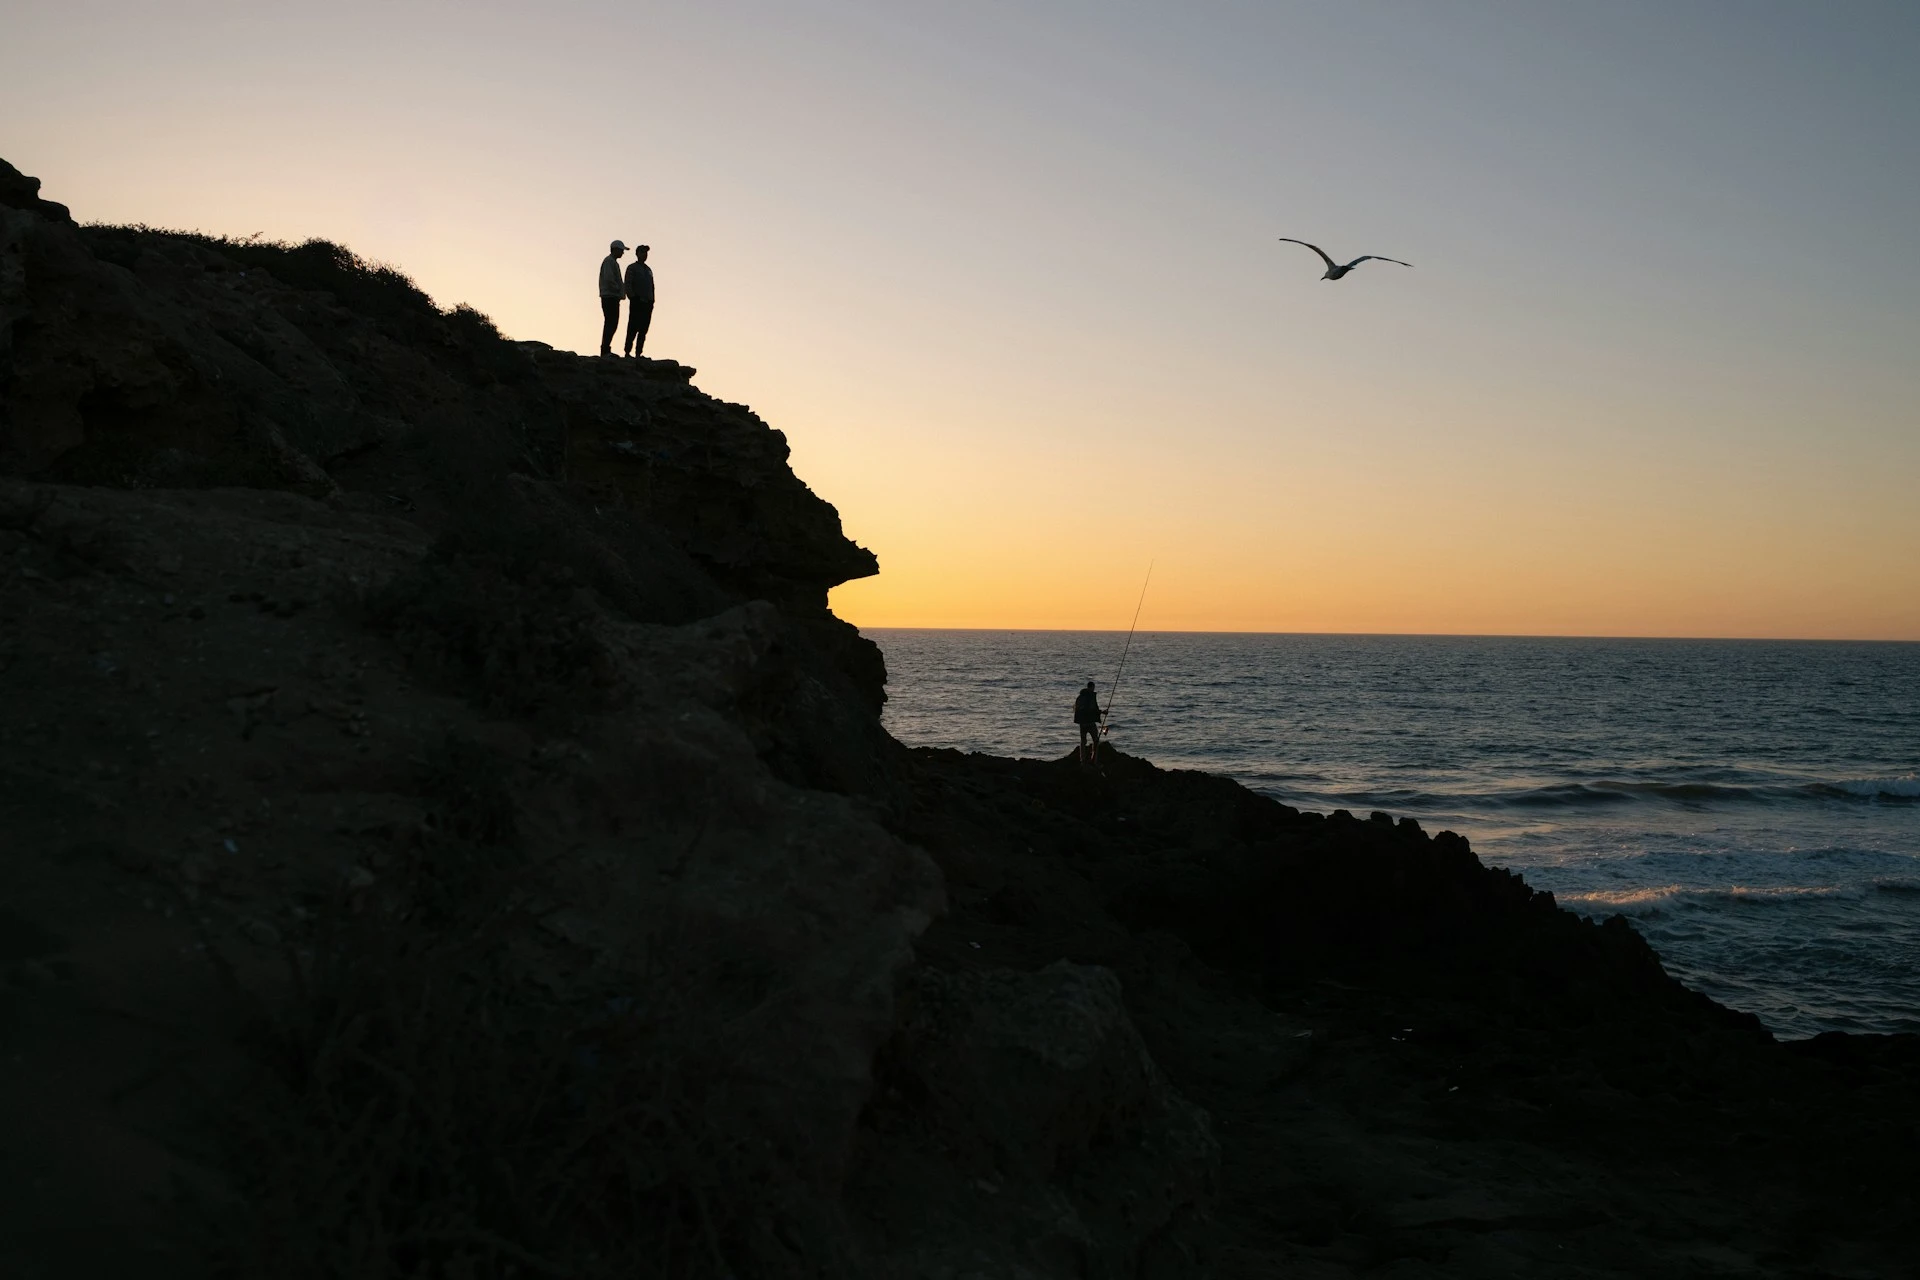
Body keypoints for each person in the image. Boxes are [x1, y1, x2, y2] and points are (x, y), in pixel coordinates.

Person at [622, 244, 655, 358]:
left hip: (647, 304)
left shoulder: (648, 270)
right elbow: (628, 283)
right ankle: (627, 351)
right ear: (637, 254)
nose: (644, 254)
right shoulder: (632, 268)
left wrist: (652, 301)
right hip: (637, 302)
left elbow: (652, 286)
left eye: (646, 252)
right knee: (632, 328)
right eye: (642, 252)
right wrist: (633, 297)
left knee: (643, 329)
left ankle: (638, 353)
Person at [598, 240, 627, 356]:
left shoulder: (612, 262)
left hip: (612, 296)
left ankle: (606, 348)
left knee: (612, 322)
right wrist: (619, 290)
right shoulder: (609, 261)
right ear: (615, 249)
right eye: (621, 250)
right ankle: (605, 349)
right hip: (610, 296)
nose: (622, 253)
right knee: (611, 322)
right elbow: (609, 279)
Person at [1073, 679, 1105, 761]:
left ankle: (1082, 759)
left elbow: (1076, 709)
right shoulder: (1090, 696)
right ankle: (1094, 758)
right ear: (1092, 687)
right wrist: (1102, 712)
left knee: (1083, 742)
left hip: (1082, 723)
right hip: (1090, 723)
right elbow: (1093, 709)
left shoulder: (1080, 697)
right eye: (1093, 688)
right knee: (1096, 740)